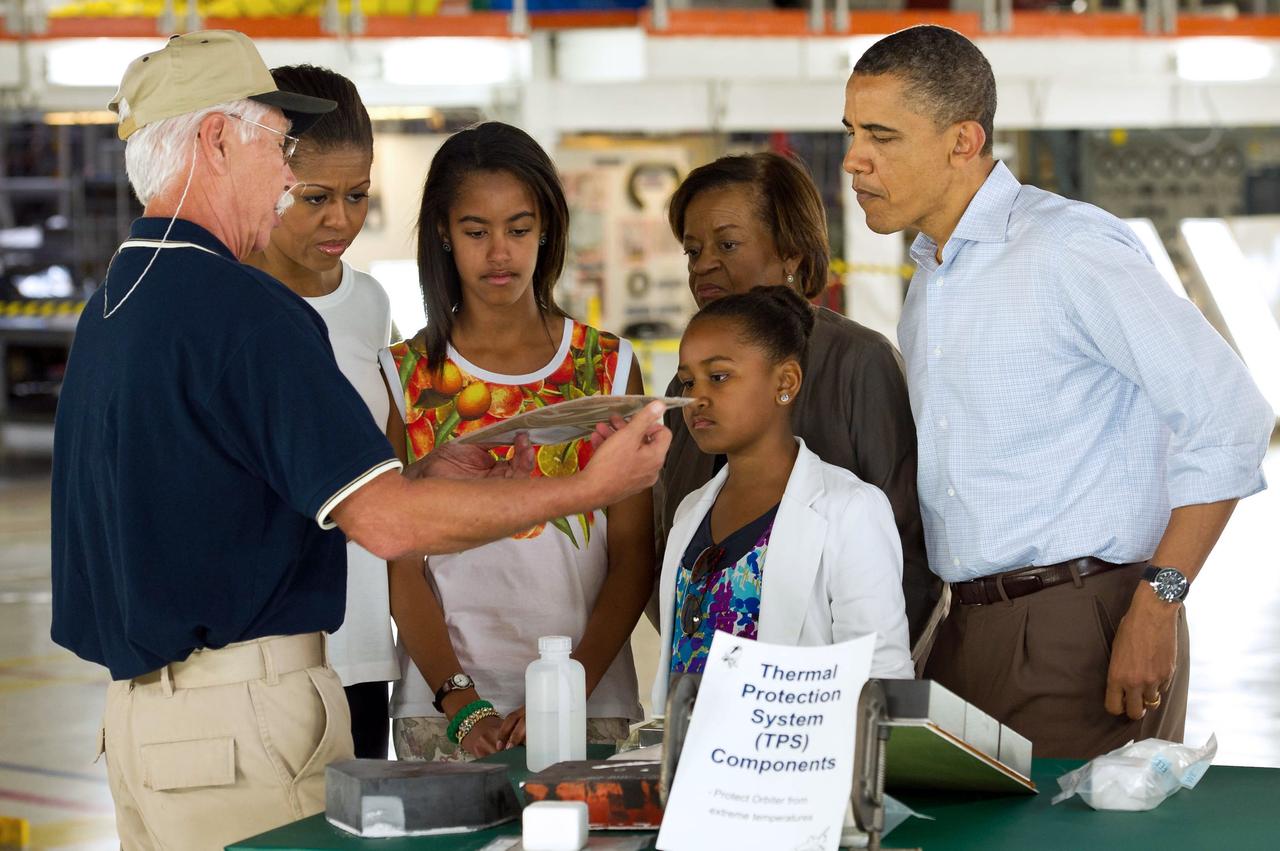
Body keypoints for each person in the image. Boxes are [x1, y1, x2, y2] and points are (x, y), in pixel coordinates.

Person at [50, 31, 669, 849]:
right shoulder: (246, 313)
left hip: (144, 728)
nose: (285, 177)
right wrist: (585, 488)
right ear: (215, 140)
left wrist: (426, 471)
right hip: (241, 730)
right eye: (277, 150)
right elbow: (389, 528)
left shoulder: (116, 307)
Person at [842, 24, 1273, 759]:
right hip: (968, 625)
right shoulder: (934, 280)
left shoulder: (1067, 249)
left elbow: (1228, 414)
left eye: (881, 135)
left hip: (1082, 624)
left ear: (962, 141)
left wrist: (1158, 601)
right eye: (851, 131)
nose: (854, 160)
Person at [381, 122, 650, 761]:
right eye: (476, 231)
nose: (499, 252)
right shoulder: (404, 376)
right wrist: (457, 698)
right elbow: (398, 557)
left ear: (547, 229)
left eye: (519, 229)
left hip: (591, 702)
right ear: (443, 233)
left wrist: (573, 682)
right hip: (442, 711)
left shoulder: (606, 367)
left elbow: (634, 552)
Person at [658, 152, 939, 659]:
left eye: (727, 243)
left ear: (791, 254)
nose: (703, 266)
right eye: (692, 250)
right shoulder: (687, 381)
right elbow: (670, 541)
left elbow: (909, 554)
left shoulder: (859, 362)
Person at [651, 286, 913, 711]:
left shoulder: (850, 509)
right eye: (687, 381)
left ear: (786, 382)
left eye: (718, 377)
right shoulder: (689, 513)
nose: (696, 398)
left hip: (795, 766)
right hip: (690, 768)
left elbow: (880, 681)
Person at [244, 64, 395, 759]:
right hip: (260, 654)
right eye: (314, 197)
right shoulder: (224, 303)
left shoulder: (369, 304)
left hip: (362, 646)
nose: (341, 220)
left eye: (356, 195)